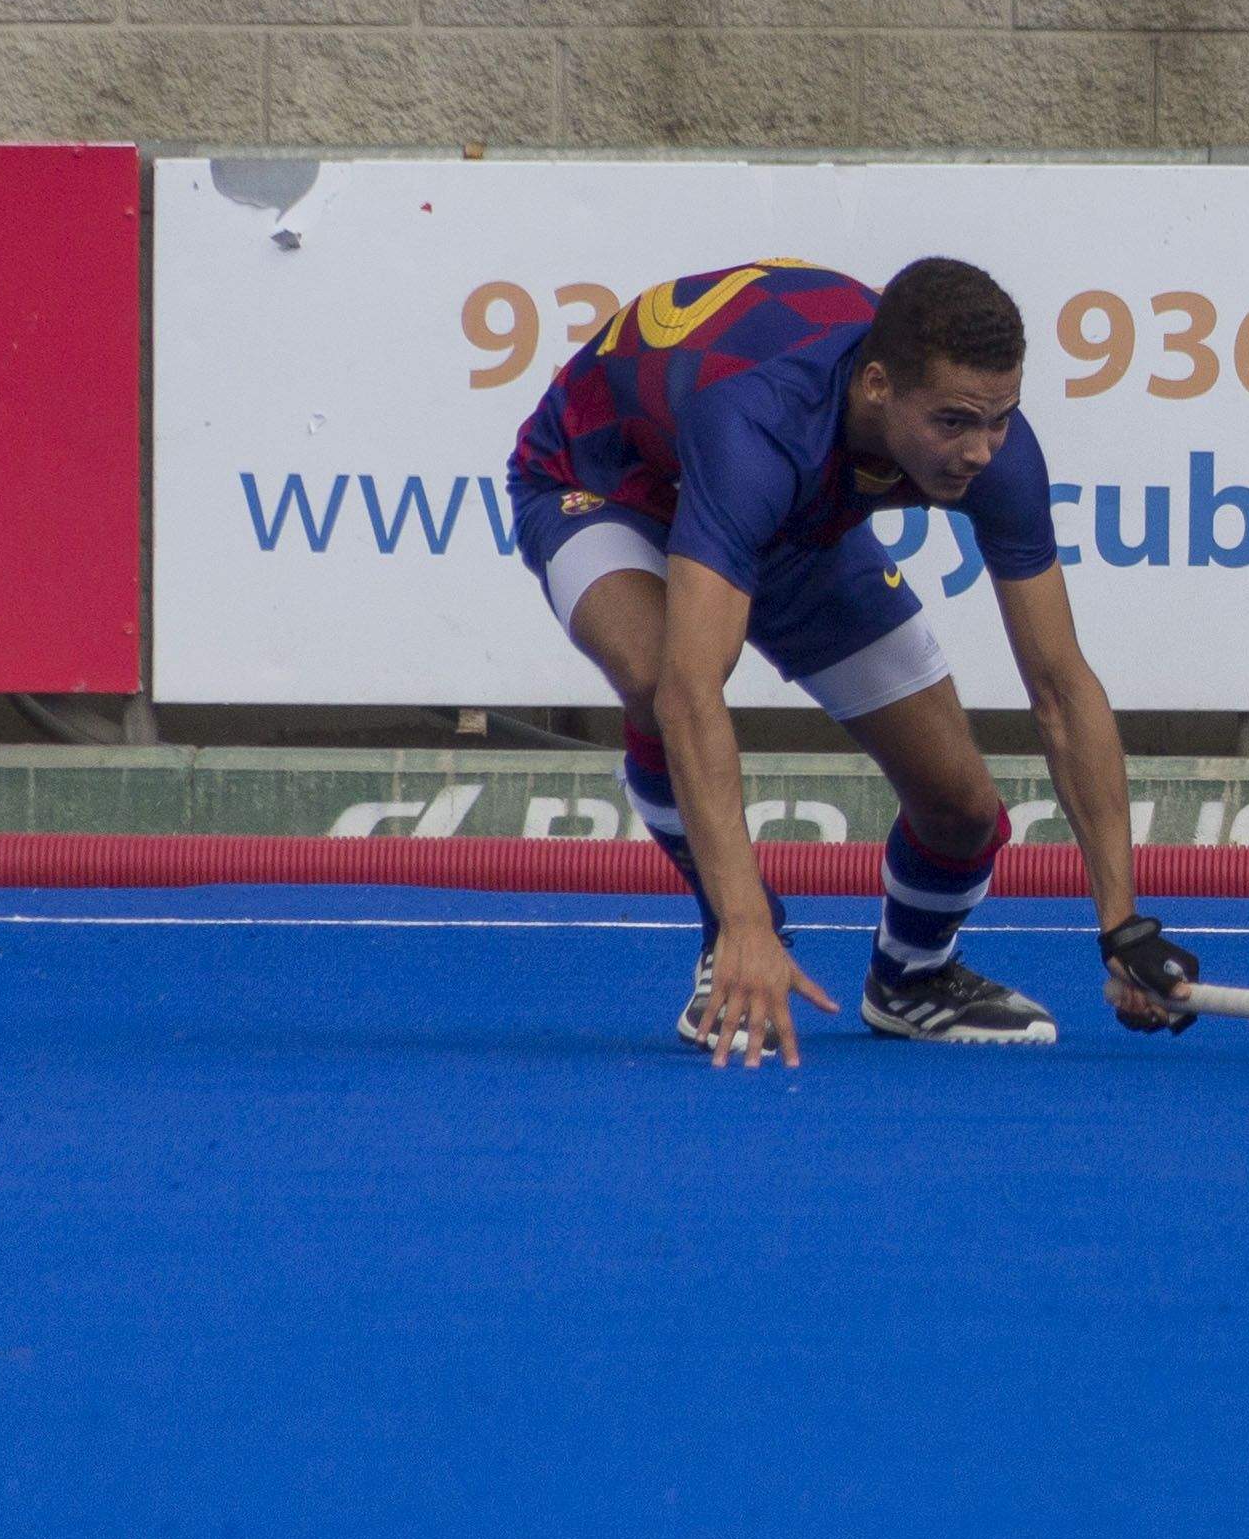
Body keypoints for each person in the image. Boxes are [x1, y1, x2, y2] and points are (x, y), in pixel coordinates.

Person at [504, 255, 1200, 1067]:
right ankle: (727, 931)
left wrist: (1123, 924)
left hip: (796, 523)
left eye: (999, 419)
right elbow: (694, 694)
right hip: (604, 485)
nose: (980, 451)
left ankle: (910, 979)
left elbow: (1060, 685)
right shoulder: (759, 421)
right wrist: (746, 925)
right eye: (953, 423)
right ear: (875, 387)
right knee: (660, 674)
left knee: (965, 812)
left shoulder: (995, 448)